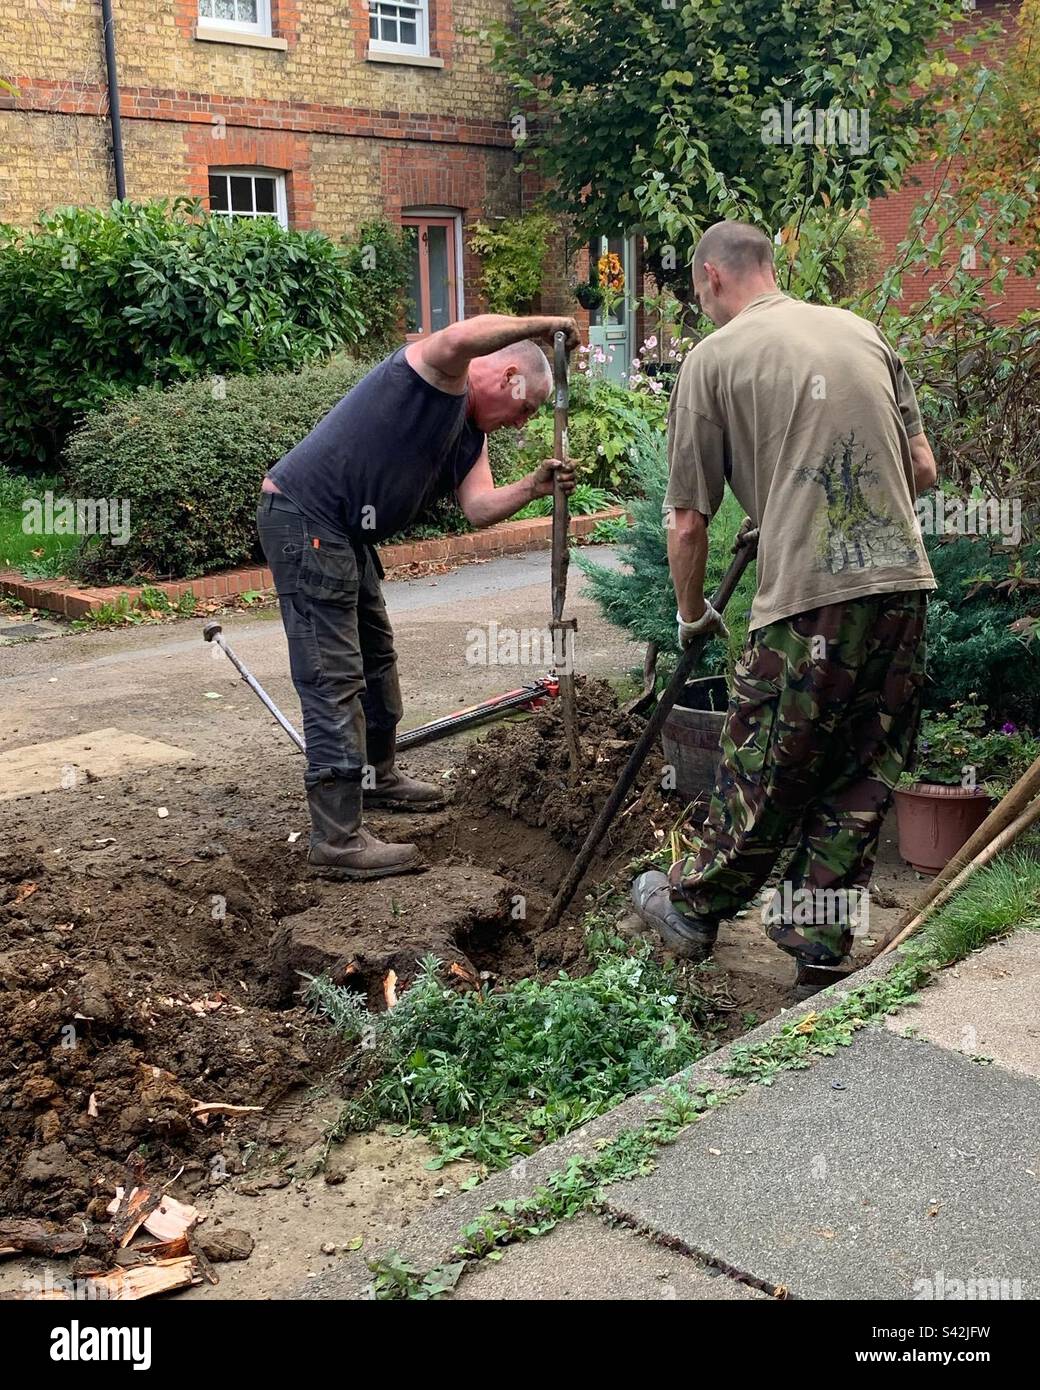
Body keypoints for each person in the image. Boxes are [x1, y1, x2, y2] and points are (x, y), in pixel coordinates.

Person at [631, 221, 938, 994]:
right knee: (860, 770)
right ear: (770, 267)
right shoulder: (862, 331)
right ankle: (820, 945)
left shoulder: (713, 359)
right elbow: (922, 470)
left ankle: (694, 907)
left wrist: (692, 612)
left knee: (765, 759)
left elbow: (687, 521)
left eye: (696, 291)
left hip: (811, 599)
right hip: (901, 586)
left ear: (711, 277)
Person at [258, 314, 579, 880]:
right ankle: (336, 840)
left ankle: (378, 776)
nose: (520, 424)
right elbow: (456, 337)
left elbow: (477, 508)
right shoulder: (439, 378)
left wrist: (533, 487)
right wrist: (547, 323)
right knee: (334, 677)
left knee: (377, 659)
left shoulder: (470, 434)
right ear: (509, 377)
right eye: (526, 409)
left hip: (343, 536)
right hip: (306, 520)